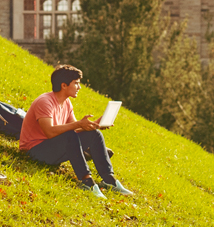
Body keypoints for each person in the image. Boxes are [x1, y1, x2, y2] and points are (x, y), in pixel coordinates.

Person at [20, 65, 133, 198]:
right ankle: (87, 182)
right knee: (70, 135)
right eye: (76, 83)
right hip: (34, 151)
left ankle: (109, 180)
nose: (79, 87)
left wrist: (94, 125)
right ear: (64, 85)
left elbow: (75, 128)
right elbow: (50, 132)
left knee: (94, 135)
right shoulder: (45, 102)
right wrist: (79, 124)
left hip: (52, 149)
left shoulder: (66, 103)